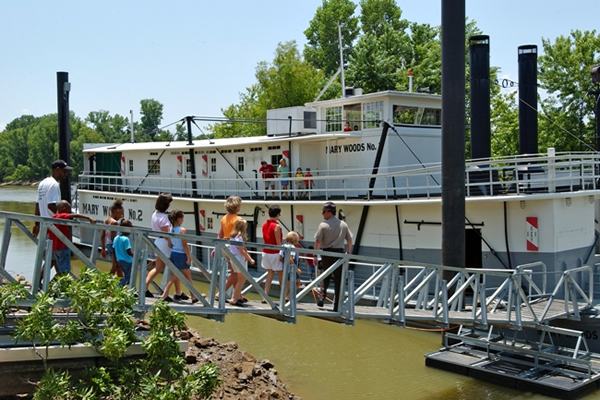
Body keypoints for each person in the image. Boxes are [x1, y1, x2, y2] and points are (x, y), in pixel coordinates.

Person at [313, 201, 353, 312]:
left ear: (329, 212)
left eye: (324, 212)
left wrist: (315, 255)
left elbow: (317, 241)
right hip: (339, 253)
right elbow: (349, 240)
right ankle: (336, 305)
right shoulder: (343, 224)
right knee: (338, 279)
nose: (322, 214)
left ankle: (322, 297)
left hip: (326, 253)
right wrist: (348, 252)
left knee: (325, 275)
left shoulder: (323, 225)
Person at [145, 193, 184, 299]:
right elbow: (166, 234)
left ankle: (177, 291)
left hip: (158, 241)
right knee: (174, 267)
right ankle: (174, 292)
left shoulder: (155, 214)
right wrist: (172, 242)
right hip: (165, 243)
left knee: (159, 267)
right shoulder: (163, 218)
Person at [47, 200, 96, 276]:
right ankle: (51, 286)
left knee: (61, 269)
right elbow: (74, 215)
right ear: (64, 209)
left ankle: (55, 286)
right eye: (69, 211)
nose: (69, 213)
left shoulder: (53, 218)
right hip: (63, 246)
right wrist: (89, 218)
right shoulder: (62, 216)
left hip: (55, 248)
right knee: (64, 271)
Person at [160, 210, 199, 304]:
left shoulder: (171, 230)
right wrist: (189, 257)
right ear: (179, 219)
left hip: (173, 253)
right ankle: (164, 294)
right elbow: (185, 244)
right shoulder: (182, 230)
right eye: (182, 218)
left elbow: (169, 244)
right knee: (176, 275)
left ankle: (193, 296)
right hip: (181, 254)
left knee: (185, 275)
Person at [212, 195, 243, 302]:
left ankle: (239, 295)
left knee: (233, 271)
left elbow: (219, 235)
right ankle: (220, 293)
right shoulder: (238, 219)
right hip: (234, 247)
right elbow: (241, 236)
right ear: (237, 207)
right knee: (235, 274)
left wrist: (215, 248)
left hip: (225, 246)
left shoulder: (224, 218)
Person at [32, 159, 72, 238]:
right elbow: (51, 205)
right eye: (64, 171)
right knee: (58, 250)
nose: (66, 174)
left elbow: (38, 205)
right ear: (57, 169)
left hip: (44, 227)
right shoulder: (54, 184)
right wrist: (66, 217)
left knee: (45, 249)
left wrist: (37, 224)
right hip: (53, 228)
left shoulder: (43, 183)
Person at [228, 218, 255, 306]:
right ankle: (234, 298)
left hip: (234, 258)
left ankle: (238, 297)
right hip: (239, 258)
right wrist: (250, 259)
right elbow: (241, 251)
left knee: (240, 278)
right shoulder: (239, 238)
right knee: (242, 279)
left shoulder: (233, 236)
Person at [261, 204, 282, 303]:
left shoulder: (264, 224)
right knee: (281, 275)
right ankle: (284, 297)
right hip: (275, 253)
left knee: (269, 275)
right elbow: (278, 243)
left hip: (265, 252)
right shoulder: (276, 226)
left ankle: (265, 296)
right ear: (277, 214)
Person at [101, 198, 125, 277]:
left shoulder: (106, 220)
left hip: (108, 245)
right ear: (116, 212)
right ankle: (106, 283)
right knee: (117, 266)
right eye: (121, 214)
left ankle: (121, 285)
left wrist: (103, 248)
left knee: (117, 266)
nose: (121, 216)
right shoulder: (114, 222)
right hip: (114, 246)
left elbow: (103, 235)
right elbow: (113, 237)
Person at [280, 231, 301, 301]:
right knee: (298, 283)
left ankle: (284, 298)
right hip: (291, 268)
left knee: (287, 284)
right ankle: (288, 297)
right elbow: (290, 258)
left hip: (284, 268)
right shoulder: (292, 247)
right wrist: (296, 269)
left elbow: (280, 258)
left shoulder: (283, 246)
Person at [113, 218, 134, 287]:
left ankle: (131, 291)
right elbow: (128, 251)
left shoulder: (116, 238)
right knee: (128, 278)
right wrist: (135, 256)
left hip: (120, 260)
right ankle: (117, 287)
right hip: (127, 261)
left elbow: (113, 250)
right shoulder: (126, 239)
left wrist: (115, 261)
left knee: (127, 276)